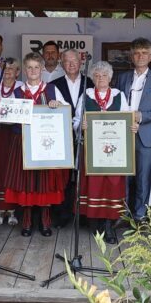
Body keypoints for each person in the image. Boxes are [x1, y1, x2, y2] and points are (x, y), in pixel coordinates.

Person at [3, 52, 70, 237]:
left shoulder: (51, 89)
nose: (33, 71)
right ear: (25, 70)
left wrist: (57, 104)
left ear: (42, 69)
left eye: (36, 67)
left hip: (44, 143)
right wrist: (3, 109)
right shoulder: (17, 91)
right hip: (22, 142)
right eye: (29, 67)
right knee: (26, 182)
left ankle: (45, 221)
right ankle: (26, 221)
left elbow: (66, 111)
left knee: (44, 182)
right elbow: (7, 120)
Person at [74, 61, 135, 244]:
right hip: (92, 151)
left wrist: (132, 126)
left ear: (110, 78)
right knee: (94, 186)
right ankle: (95, 225)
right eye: (97, 76)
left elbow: (127, 117)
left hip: (116, 153)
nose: (101, 79)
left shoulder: (118, 95)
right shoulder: (86, 95)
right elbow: (76, 119)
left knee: (113, 187)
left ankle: (109, 226)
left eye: (104, 76)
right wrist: (81, 125)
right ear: (92, 78)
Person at [117, 37, 151, 222]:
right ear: (132, 56)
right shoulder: (122, 77)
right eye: (137, 53)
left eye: (144, 53)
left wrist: (142, 116)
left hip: (146, 136)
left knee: (143, 178)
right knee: (123, 178)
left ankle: (140, 214)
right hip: (122, 134)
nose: (140, 56)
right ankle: (122, 214)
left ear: (150, 57)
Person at [49, 49, 94, 228]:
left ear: (81, 62)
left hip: (86, 136)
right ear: (62, 64)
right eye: (67, 61)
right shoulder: (54, 84)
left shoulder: (91, 82)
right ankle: (63, 215)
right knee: (65, 177)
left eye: (74, 60)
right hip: (62, 137)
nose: (71, 64)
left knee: (83, 176)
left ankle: (82, 215)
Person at [0, 57, 23, 226]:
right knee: (0, 169)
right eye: (5, 69)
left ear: (18, 72)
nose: (8, 72)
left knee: (13, 171)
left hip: (15, 134)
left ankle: (12, 211)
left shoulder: (21, 89)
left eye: (12, 69)